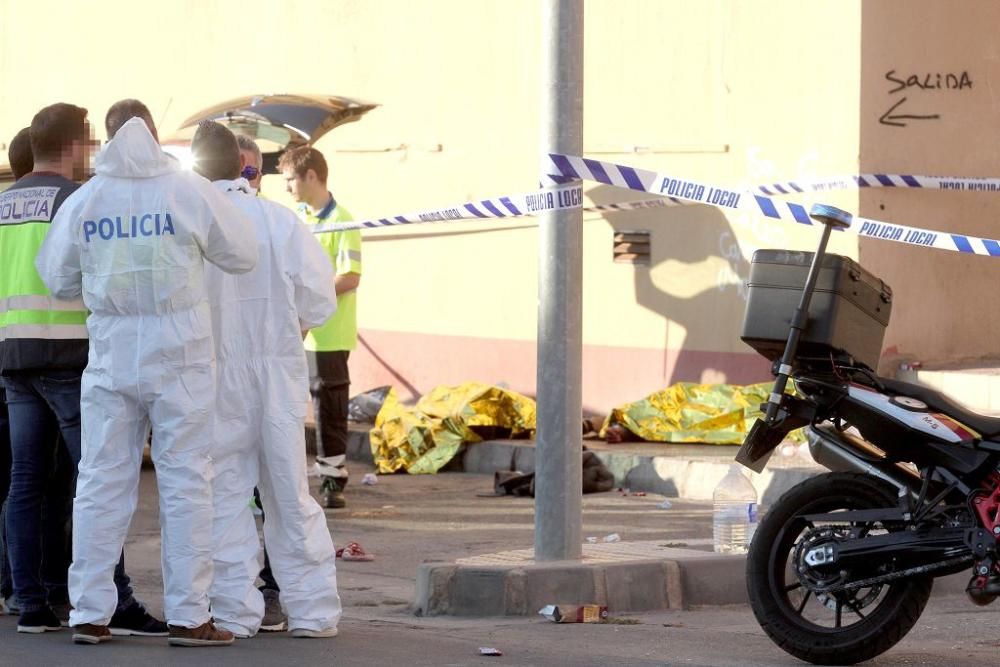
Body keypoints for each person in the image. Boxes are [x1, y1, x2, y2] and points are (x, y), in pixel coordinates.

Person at [35, 99, 258, 647]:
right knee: (185, 481)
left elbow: (55, 277)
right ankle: (189, 616)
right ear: (155, 135)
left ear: (107, 140)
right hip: (180, 353)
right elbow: (242, 254)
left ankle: (89, 612)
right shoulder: (187, 190)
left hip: (112, 352)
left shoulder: (88, 199)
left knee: (100, 481)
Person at [0, 106, 164, 637]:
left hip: (13, 360)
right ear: (74, 147)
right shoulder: (77, 201)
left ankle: (30, 604)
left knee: (26, 483)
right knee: (100, 482)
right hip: (69, 357)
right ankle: (113, 599)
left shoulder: (1, 204)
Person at [193, 121, 342, 639]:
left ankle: (234, 611)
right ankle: (313, 611)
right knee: (288, 494)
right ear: (246, 169)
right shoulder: (280, 222)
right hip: (277, 371)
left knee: (226, 496)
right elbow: (320, 300)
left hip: (214, 376)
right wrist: (286, 325)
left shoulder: (190, 221)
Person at [278, 146, 361, 509]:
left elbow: (351, 276)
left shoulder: (344, 220)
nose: (287, 188)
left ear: (311, 176)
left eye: (290, 179)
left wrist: (311, 296)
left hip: (329, 333)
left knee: (329, 407)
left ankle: (332, 480)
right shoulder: (292, 219)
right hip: (293, 331)